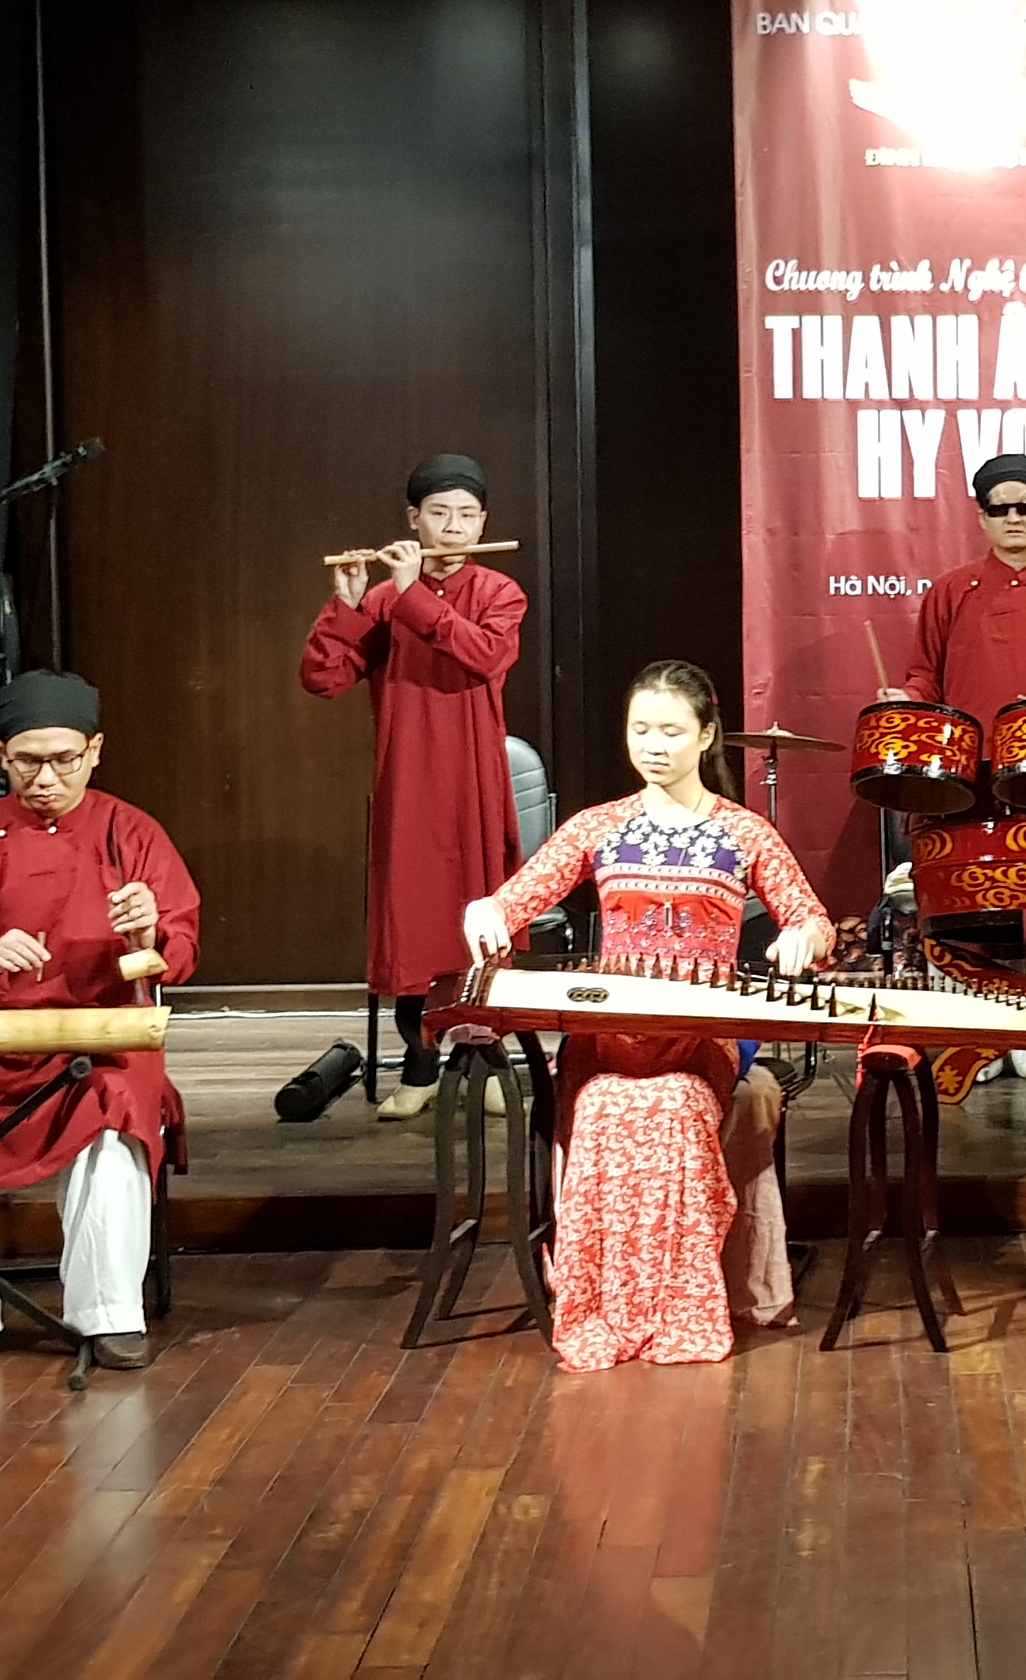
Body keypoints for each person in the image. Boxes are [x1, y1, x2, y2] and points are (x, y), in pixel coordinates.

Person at [464, 660, 836, 1369]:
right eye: (641, 730)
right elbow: (517, 897)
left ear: (707, 736)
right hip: (610, 1038)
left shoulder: (744, 833)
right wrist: (487, 910)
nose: (653, 746)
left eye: (671, 731)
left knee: (675, 1107)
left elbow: (812, 920)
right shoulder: (600, 826)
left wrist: (802, 938)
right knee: (603, 1104)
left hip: (700, 1039)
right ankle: (604, 1305)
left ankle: (682, 1309)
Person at [0, 670, 200, 1376]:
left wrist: (148, 934)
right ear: (1, 756)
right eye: (27, 761)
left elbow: (180, 953)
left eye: (63, 759)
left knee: (112, 1112)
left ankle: (109, 1313)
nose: (46, 779)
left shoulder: (132, 834)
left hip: (99, 1043)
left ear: (95, 751)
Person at [878, 450, 1026, 1083]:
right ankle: (977, 1038)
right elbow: (924, 675)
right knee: (973, 903)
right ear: (981, 516)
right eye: (1000, 508)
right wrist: (906, 700)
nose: (1014, 518)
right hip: (971, 772)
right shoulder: (951, 590)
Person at [300, 453, 525, 1121]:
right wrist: (347, 604)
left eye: (467, 515)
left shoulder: (500, 591)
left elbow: (486, 656)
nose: (453, 526)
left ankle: (480, 1062)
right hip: (407, 786)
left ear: (483, 522)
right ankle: (420, 1066)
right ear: (412, 520)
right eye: (439, 513)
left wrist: (410, 595)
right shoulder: (381, 599)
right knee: (412, 929)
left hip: (474, 784)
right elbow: (324, 679)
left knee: (477, 925)